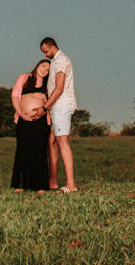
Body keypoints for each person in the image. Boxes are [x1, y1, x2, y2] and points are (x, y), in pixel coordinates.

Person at [40, 36, 78, 193]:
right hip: (56, 107)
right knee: (52, 142)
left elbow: (59, 87)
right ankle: (53, 181)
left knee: (63, 142)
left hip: (61, 105)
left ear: (53, 47)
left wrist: (45, 107)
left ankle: (71, 184)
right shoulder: (55, 61)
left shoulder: (62, 59)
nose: (44, 55)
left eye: (45, 51)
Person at [9, 58, 52, 192]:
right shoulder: (24, 78)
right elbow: (15, 95)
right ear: (38, 65)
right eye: (43, 66)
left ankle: (41, 186)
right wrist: (20, 113)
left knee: (39, 151)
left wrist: (42, 110)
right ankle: (20, 185)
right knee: (23, 150)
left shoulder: (49, 83)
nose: (44, 70)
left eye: (48, 70)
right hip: (23, 119)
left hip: (41, 122)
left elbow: (52, 100)